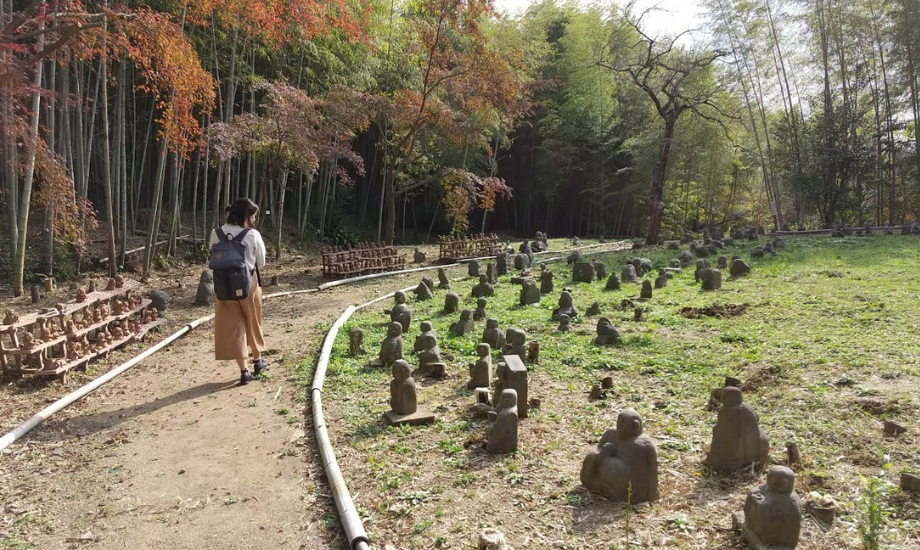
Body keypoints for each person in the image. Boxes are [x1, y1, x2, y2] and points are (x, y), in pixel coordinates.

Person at [210, 198, 267, 385]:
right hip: (248, 284)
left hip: (223, 286)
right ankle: (258, 361)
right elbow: (261, 263)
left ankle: (244, 371)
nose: (255, 219)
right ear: (247, 216)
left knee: (233, 328)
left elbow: (213, 257)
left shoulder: (216, 233)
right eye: (254, 215)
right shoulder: (252, 235)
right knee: (253, 321)